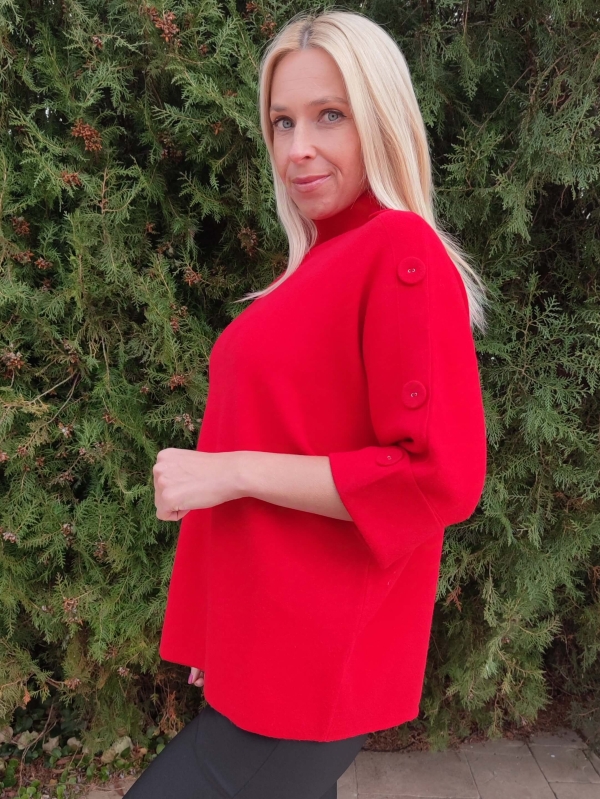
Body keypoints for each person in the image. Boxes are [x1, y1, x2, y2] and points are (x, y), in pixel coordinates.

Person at [128, 8, 489, 798]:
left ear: (381, 118)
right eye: (283, 121)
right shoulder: (326, 258)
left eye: (330, 115)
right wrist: (223, 624)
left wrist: (227, 472)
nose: (299, 149)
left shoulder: (399, 251)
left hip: (314, 657)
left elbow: (438, 478)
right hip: (273, 643)